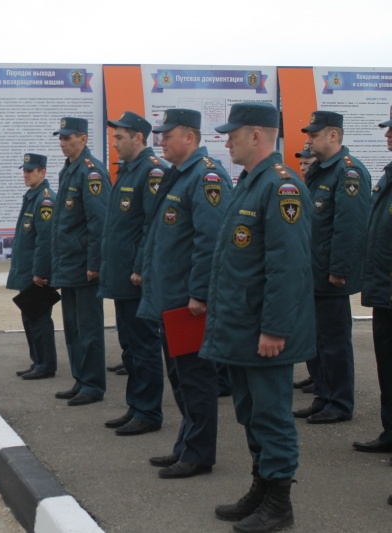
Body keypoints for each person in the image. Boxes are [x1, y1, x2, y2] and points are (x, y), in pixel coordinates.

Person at [201, 102, 315, 533]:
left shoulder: (282, 187)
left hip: (263, 331)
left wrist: (275, 328)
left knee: (272, 416)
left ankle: (279, 504)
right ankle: (260, 488)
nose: (226, 140)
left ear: (256, 136)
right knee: (250, 413)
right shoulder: (250, 182)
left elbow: (287, 267)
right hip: (240, 327)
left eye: (233, 133)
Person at [137, 108, 232, 478]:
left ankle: (198, 453)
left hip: (188, 303)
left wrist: (199, 293)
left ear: (189, 137)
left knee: (195, 378)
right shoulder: (181, 175)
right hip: (171, 298)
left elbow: (210, 241)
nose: (159, 140)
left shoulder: (206, 177)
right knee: (180, 377)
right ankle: (186, 445)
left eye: (166, 134)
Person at [293, 111, 371, 424]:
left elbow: (350, 228)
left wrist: (339, 269)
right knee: (315, 340)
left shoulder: (348, 173)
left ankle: (339, 403)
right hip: (312, 271)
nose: (308, 140)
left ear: (334, 136)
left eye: (314, 135)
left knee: (334, 343)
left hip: (330, 275)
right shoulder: (322, 172)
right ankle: (323, 395)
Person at [98, 111, 166, 435]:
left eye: (119, 137)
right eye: (114, 137)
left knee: (144, 344)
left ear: (138, 138)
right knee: (129, 346)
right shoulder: (126, 172)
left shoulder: (151, 172)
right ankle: (135, 406)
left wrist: (140, 266)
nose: (114, 143)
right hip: (122, 276)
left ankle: (149, 412)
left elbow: (151, 226)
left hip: (136, 277)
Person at [51, 117, 111, 406]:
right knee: (73, 327)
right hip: (69, 263)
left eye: (68, 138)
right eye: (61, 138)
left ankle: (93, 384)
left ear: (83, 139)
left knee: (88, 327)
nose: (63, 143)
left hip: (84, 264)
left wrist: (95, 263)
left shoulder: (91, 172)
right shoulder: (68, 171)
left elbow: (99, 222)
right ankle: (80, 378)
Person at [353, 110, 392, 472]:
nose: (387, 136)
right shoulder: (387, 176)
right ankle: (389, 431)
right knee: (387, 370)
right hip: (384, 294)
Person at [7, 153, 58, 380]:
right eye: (24, 170)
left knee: (39, 319)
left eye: (31, 170)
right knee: (30, 317)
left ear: (43, 172)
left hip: (36, 274)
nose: (26, 174)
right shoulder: (32, 197)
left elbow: (45, 240)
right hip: (28, 271)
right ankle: (37, 361)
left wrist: (40, 272)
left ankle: (46, 365)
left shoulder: (45, 200)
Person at [293, 142, 317, 393]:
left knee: (332, 339)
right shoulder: (305, 187)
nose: (302, 167)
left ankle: (334, 393)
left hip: (324, 272)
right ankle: (317, 376)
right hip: (310, 268)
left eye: (307, 163)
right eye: (300, 164)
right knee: (314, 329)